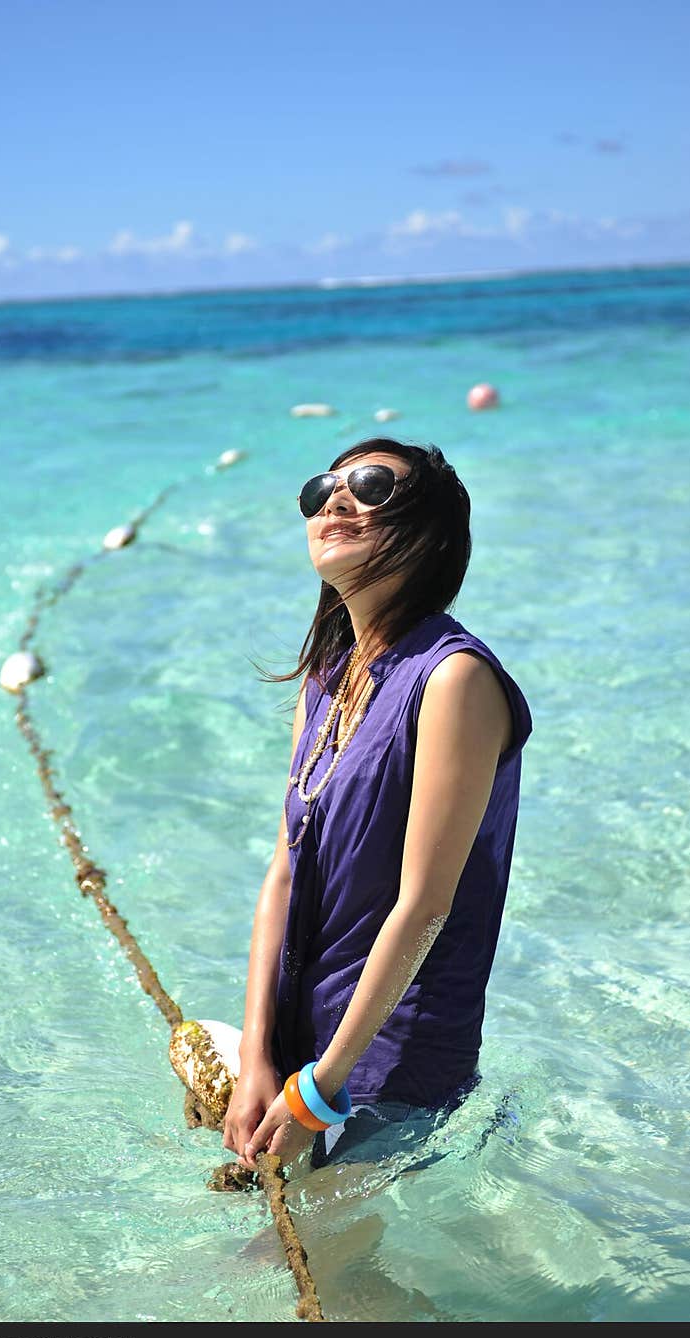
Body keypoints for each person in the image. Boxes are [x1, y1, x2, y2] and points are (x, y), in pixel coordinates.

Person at [222, 438, 533, 1173]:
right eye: (321, 488)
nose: (335, 500)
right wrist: (256, 1058)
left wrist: (320, 1095)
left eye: (369, 487)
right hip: (304, 1046)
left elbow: (425, 907)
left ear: (427, 534)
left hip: (395, 1064)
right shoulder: (325, 679)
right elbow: (283, 875)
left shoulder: (453, 680)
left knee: (305, 1271)